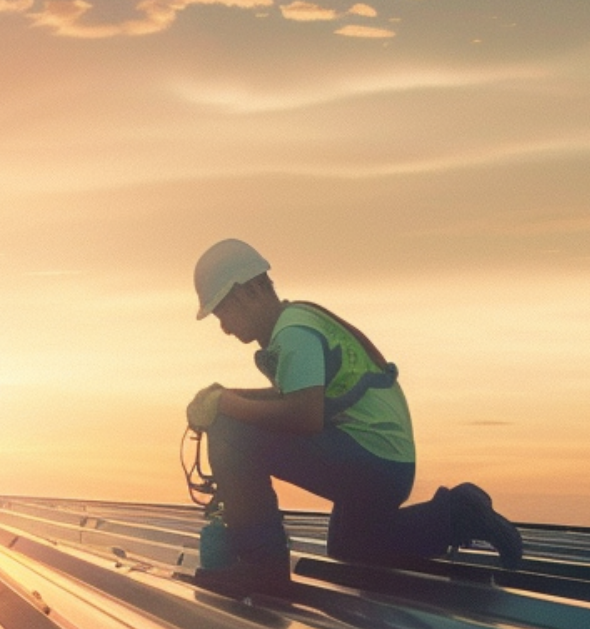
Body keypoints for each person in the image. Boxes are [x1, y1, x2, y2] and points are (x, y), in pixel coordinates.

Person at [185, 238, 521, 599]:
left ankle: (261, 568)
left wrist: (225, 407)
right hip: (386, 463)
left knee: (232, 430)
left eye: (223, 314)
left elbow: (303, 415)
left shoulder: (294, 334)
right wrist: (227, 395)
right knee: (353, 546)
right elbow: (300, 398)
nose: (224, 328)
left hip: (371, 459)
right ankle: (457, 515)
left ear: (247, 293)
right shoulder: (297, 323)